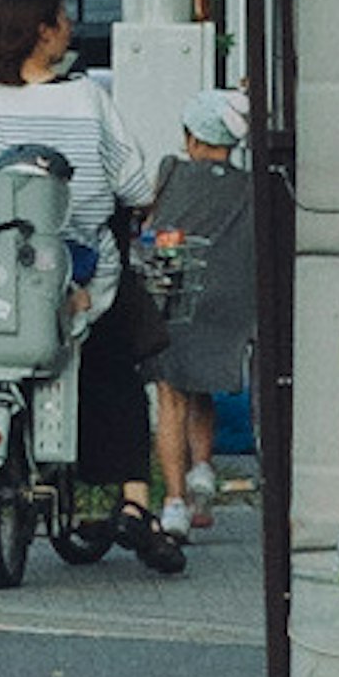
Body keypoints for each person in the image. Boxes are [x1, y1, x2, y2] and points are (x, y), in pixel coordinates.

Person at [0, 0, 175, 567]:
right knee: (117, 362)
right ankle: (136, 501)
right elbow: (135, 185)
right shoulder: (88, 99)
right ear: (42, 33)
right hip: (74, 274)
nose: (68, 31)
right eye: (61, 20)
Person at [140, 93, 258, 544]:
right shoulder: (248, 185)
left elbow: (151, 219)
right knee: (202, 386)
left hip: (178, 293)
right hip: (228, 299)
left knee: (171, 395)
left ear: (192, 138)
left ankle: (173, 502)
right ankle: (203, 474)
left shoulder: (172, 170)